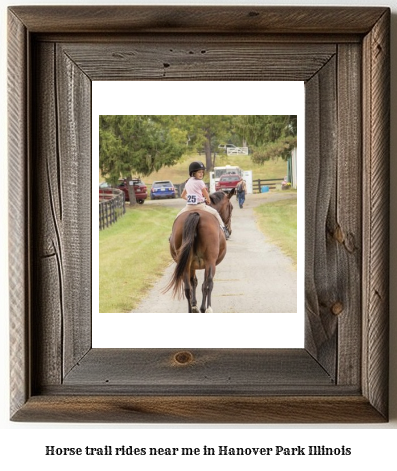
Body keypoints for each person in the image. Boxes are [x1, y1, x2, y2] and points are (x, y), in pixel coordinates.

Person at [176, 161, 230, 239]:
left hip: (188, 207)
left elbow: (182, 195)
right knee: (215, 213)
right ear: (193, 173)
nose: (201, 174)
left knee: (178, 216)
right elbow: (205, 193)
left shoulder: (187, 182)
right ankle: (224, 230)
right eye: (199, 172)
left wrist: (189, 199)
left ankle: (172, 234)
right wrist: (208, 200)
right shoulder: (200, 182)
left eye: (202, 172)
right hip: (200, 206)